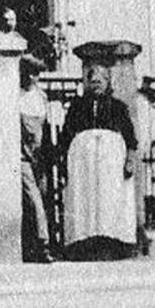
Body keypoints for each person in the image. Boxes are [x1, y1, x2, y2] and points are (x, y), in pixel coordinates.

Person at [58, 64, 146, 255]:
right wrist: (64, 161)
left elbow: (131, 138)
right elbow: (66, 135)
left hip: (111, 162)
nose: (96, 85)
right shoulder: (77, 106)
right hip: (84, 163)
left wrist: (129, 160)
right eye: (92, 82)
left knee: (110, 197)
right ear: (87, 84)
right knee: (85, 200)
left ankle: (114, 242)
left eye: (100, 81)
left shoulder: (118, 107)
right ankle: (85, 241)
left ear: (107, 83)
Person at [18, 58, 56, 261]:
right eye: (28, 72)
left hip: (39, 156)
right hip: (21, 156)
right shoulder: (14, 95)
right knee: (34, 200)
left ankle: (38, 244)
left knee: (43, 197)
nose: (32, 77)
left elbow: (45, 128)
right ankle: (43, 245)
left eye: (36, 73)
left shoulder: (41, 97)